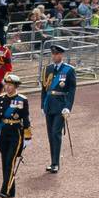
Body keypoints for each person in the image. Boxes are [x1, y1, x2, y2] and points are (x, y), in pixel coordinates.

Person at [38, 44, 76, 173]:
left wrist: (68, 107)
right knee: (50, 134)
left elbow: (71, 90)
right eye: (53, 54)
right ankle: (53, 161)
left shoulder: (68, 70)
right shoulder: (47, 69)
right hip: (49, 104)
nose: (54, 56)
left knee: (55, 133)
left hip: (60, 105)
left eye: (57, 54)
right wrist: (42, 105)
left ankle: (56, 163)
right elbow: (44, 89)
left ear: (61, 55)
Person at [0, 73, 31, 198]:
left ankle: (4, 190)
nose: (8, 87)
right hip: (3, 133)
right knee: (5, 162)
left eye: (10, 85)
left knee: (10, 161)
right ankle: (11, 189)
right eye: (6, 85)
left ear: (16, 86)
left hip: (16, 133)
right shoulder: (0, 99)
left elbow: (25, 118)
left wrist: (27, 136)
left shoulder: (22, 100)